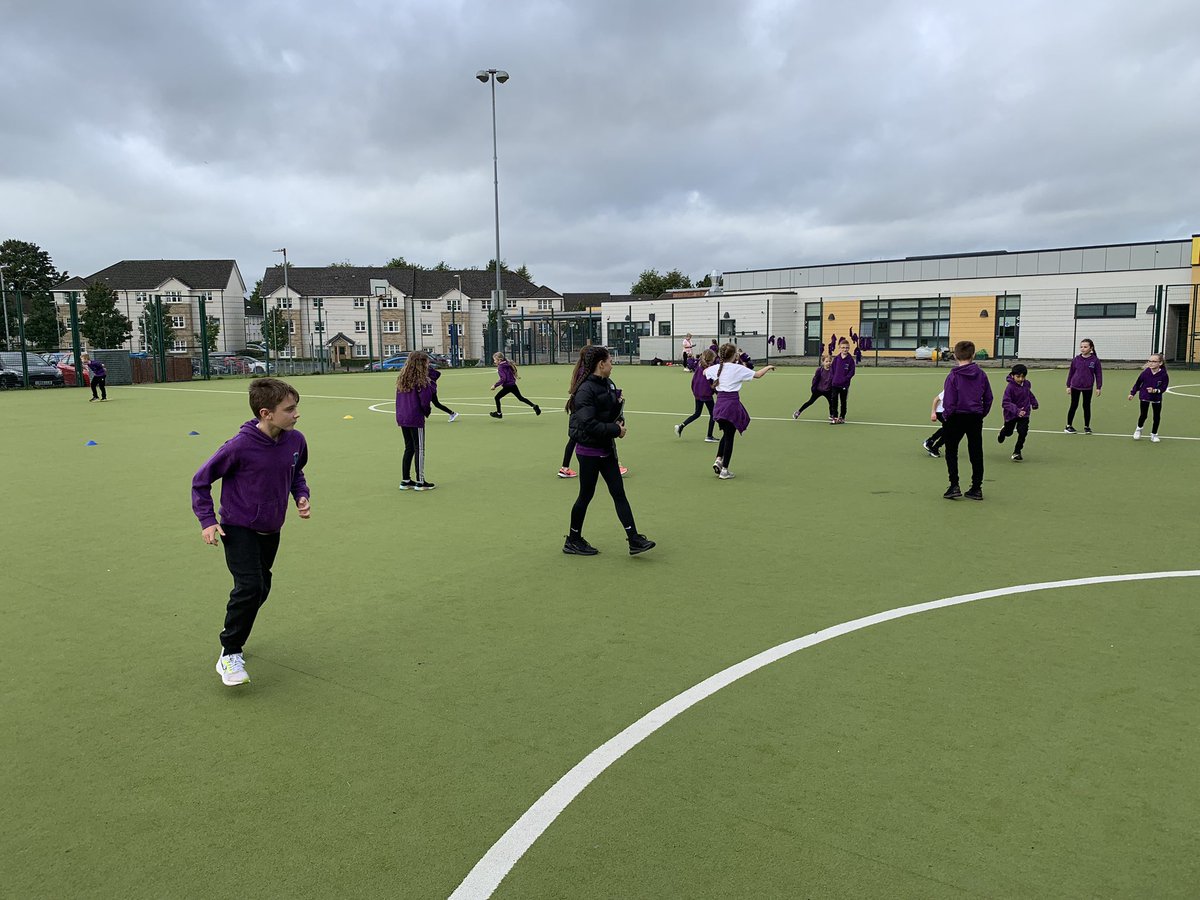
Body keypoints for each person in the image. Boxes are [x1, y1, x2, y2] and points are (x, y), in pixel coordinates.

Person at [191, 377, 311, 686]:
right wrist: (207, 520)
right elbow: (201, 481)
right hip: (237, 526)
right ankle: (230, 653)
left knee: (261, 587)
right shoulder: (239, 446)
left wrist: (301, 494)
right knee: (249, 587)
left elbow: (296, 471)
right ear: (266, 413)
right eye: (290, 409)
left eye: (296, 407)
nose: (296, 414)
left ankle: (238, 627)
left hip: (272, 527)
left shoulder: (295, 440)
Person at [562, 345, 653, 556]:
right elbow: (589, 424)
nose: (612, 365)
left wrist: (618, 416)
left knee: (619, 493)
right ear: (601, 364)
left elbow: (610, 412)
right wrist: (616, 430)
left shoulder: (608, 384)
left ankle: (634, 539)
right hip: (589, 452)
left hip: (606, 448)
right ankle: (573, 539)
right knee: (585, 495)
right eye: (610, 361)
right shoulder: (585, 390)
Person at [704, 342, 775, 480]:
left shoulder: (717, 368)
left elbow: (705, 372)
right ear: (734, 355)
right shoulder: (737, 368)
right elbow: (758, 375)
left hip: (720, 405)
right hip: (731, 405)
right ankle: (724, 470)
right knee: (730, 437)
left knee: (726, 433)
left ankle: (719, 459)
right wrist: (768, 367)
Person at [940, 340, 992, 501]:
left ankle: (954, 485)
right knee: (976, 451)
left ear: (955, 355)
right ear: (973, 355)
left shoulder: (953, 376)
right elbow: (988, 397)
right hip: (975, 416)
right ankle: (976, 488)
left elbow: (949, 400)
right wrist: (981, 413)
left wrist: (947, 416)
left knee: (951, 451)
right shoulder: (981, 375)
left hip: (956, 416)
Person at [395, 351, 436, 490]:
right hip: (415, 417)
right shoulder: (421, 381)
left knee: (409, 448)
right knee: (419, 448)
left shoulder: (402, 379)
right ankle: (420, 481)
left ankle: (405, 480)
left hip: (403, 416)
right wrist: (427, 411)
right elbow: (425, 400)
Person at [675, 348, 718, 441]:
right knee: (713, 414)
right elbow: (712, 383)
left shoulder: (699, 365)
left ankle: (681, 426)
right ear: (710, 359)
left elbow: (694, 380)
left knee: (697, 413)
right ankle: (709, 436)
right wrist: (716, 391)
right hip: (705, 394)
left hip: (697, 392)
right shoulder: (709, 368)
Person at [997, 363, 1038, 461]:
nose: (1020, 379)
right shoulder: (1010, 387)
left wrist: (1034, 402)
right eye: (1018, 376)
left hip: (1025, 413)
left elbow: (1029, 394)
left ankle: (1017, 452)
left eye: (1023, 376)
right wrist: (1017, 411)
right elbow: (1005, 403)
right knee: (1008, 432)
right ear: (1012, 376)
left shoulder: (1027, 384)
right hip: (1011, 414)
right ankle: (1002, 432)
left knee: (1023, 431)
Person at [1128, 353, 1168, 442]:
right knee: (1143, 415)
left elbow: (1163, 388)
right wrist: (1132, 393)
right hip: (1144, 396)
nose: (1151, 363)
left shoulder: (1163, 374)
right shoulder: (1145, 372)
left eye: (1154, 361)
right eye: (1150, 361)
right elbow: (1138, 383)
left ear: (1160, 363)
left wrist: (1155, 391)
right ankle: (1139, 429)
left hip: (1156, 398)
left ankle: (1154, 434)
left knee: (1156, 417)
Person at [1065, 338, 1102, 434]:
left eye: (1085, 347)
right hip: (1075, 386)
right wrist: (1068, 385)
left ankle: (1087, 426)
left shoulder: (1095, 360)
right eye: (1081, 347)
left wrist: (1098, 387)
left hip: (1088, 387)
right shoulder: (1076, 359)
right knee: (1074, 405)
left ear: (1091, 348)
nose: (1083, 349)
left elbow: (1098, 374)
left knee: (1086, 406)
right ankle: (1068, 426)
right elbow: (1071, 373)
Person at [490, 352, 541, 418]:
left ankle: (499, 414)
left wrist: (495, 385)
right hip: (513, 385)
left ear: (499, 360)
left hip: (507, 386)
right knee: (521, 398)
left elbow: (503, 378)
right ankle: (534, 406)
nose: (494, 361)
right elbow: (512, 371)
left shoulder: (501, 367)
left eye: (495, 360)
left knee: (497, 398)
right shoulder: (507, 363)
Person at [793, 353, 835, 421]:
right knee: (810, 402)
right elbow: (815, 380)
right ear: (823, 362)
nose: (828, 363)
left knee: (832, 403)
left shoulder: (833, 370)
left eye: (830, 361)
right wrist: (813, 388)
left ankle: (831, 415)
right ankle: (798, 412)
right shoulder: (819, 370)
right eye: (826, 361)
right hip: (818, 390)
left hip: (828, 390)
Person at [829, 338, 856, 423]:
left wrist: (845, 379)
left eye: (847, 348)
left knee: (843, 401)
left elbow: (852, 372)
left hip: (844, 385)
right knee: (834, 400)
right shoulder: (836, 359)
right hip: (835, 384)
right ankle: (835, 416)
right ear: (840, 348)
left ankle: (842, 416)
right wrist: (833, 378)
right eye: (843, 347)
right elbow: (832, 370)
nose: (845, 349)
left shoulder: (850, 360)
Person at [922, 389, 946, 457]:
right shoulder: (949, 388)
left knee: (950, 430)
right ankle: (930, 443)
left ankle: (932, 445)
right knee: (950, 428)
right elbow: (936, 399)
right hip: (940, 412)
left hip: (950, 413)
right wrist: (933, 413)